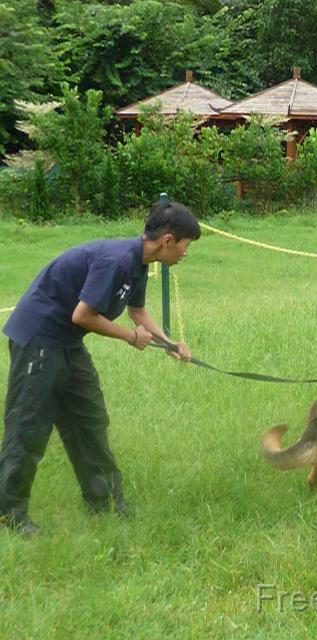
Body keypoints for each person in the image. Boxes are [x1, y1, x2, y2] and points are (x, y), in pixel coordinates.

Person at [0, 200, 199, 536]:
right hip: (39, 337)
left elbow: (138, 313)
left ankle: (105, 502)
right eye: (185, 244)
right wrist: (128, 338)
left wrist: (170, 344)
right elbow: (84, 315)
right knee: (28, 425)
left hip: (67, 342)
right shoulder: (117, 260)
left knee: (89, 418)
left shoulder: (139, 263)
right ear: (168, 240)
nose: (185, 253)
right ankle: (9, 513)